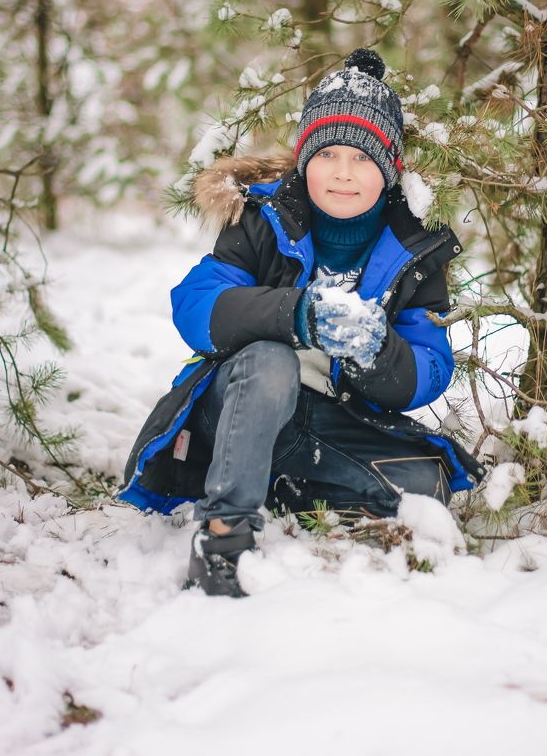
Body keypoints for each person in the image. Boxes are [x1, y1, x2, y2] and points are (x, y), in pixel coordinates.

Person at [118, 48, 485, 596]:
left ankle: (281, 485)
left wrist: (376, 350)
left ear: (389, 169)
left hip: (332, 418)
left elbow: (430, 367)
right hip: (243, 407)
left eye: (362, 158)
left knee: (423, 484)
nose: (343, 173)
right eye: (328, 153)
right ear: (304, 158)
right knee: (268, 361)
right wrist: (296, 315)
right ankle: (224, 536)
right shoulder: (265, 219)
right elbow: (196, 303)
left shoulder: (412, 246)